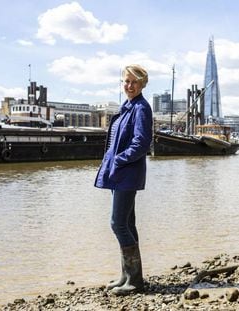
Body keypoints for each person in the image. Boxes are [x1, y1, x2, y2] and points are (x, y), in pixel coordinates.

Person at [94, 64, 153, 296]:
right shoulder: (127, 106)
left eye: (134, 82)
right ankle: (127, 276)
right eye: (126, 81)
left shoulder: (141, 108)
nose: (129, 86)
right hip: (120, 174)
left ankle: (135, 281)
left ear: (142, 84)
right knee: (127, 224)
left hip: (127, 174)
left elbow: (141, 143)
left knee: (117, 223)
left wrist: (119, 160)